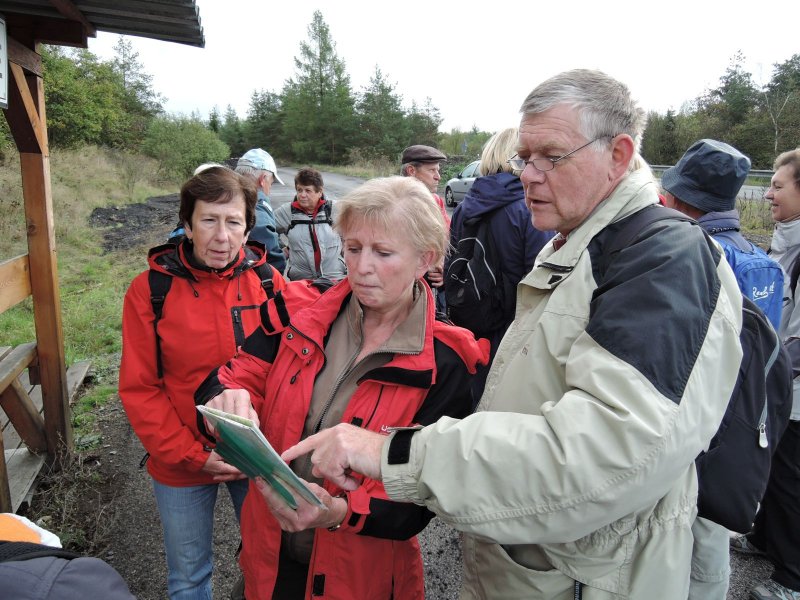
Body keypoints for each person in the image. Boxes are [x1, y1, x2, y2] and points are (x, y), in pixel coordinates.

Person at [279, 69, 745, 599]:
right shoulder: (572, 244)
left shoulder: (660, 261)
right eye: (525, 157)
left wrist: (390, 453)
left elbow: (603, 455)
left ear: (619, 154)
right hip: (539, 566)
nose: (529, 174)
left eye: (552, 156)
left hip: (586, 577)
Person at [195, 176, 489, 599]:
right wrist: (224, 400)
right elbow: (230, 377)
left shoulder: (447, 362)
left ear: (426, 259)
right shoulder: (296, 307)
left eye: (383, 252)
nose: (362, 266)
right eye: (353, 248)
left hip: (359, 578)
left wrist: (335, 512)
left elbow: (422, 498)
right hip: (268, 560)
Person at [119, 166, 286, 600]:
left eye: (233, 222)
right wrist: (191, 455)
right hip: (181, 463)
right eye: (208, 220)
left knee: (269, 566)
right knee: (189, 578)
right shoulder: (150, 289)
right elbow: (140, 387)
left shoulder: (270, 284)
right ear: (188, 225)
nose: (221, 236)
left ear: (249, 228)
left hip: (256, 456)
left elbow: (290, 375)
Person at [661, 139, 783, 600]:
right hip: (745, 413)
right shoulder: (759, 257)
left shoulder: (698, 254)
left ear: (676, 197)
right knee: (712, 532)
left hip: (700, 413)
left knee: (688, 530)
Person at [731, 147, 800, 600]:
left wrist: (767, 371)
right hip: (782, 386)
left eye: (777, 185)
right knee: (774, 469)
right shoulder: (785, 240)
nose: (768, 193)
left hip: (793, 390)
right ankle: (766, 539)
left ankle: (793, 578)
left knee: (793, 480)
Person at [446, 127, 554, 398]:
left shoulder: (465, 206)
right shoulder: (528, 209)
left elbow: (451, 259)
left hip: (466, 316)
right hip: (511, 325)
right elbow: (542, 277)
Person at [274, 167, 346, 282]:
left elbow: (354, 232)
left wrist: (346, 249)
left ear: (319, 192)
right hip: (301, 282)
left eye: (308, 190)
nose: (302, 195)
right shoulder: (287, 212)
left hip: (334, 279)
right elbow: (266, 230)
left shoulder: (335, 209)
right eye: (299, 190)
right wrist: (281, 249)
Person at [401, 144, 450, 312]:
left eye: (438, 170)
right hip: (405, 288)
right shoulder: (392, 203)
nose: (438, 177)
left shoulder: (436, 201)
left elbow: (447, 239)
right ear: (411, 171)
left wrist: (443, 266)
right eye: (432, 170)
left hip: (433, 286)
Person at [235, 148, 287, 273]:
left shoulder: (227, 196)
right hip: (253, 278)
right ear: (263, 179)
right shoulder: (257, 203)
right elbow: (264, 240)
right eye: (271, 183)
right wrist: (279, 262)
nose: (270, 188)